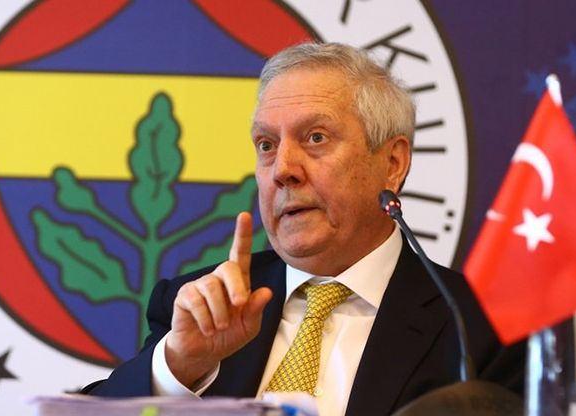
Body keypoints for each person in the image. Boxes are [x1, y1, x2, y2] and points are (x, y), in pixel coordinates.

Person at [84, 42, 524, 416]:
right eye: (267, 145)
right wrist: (177, 366)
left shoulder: (479, 328)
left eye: (316, 138)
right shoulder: (204, 309)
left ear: (392, 164)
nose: (283, 170)